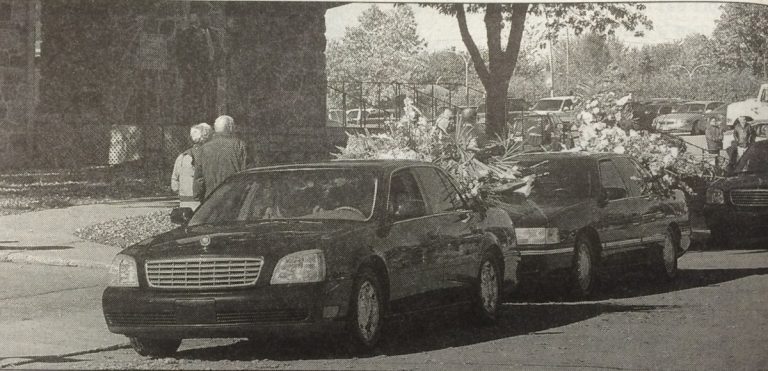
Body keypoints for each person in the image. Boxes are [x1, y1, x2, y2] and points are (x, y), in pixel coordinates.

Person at [195, 115, 249, 199]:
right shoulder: (239, 145)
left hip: (211, 198)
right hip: (234, 197)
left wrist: (199, 196)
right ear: (230, 127)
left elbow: (199, 177)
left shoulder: (204, 148)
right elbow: (246, 173)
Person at [171, 123, 212, 210]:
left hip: (184, 201)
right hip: (203, 202)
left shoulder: (182, 156)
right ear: (207, 136)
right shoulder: (209, 155)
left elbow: (174, 183)